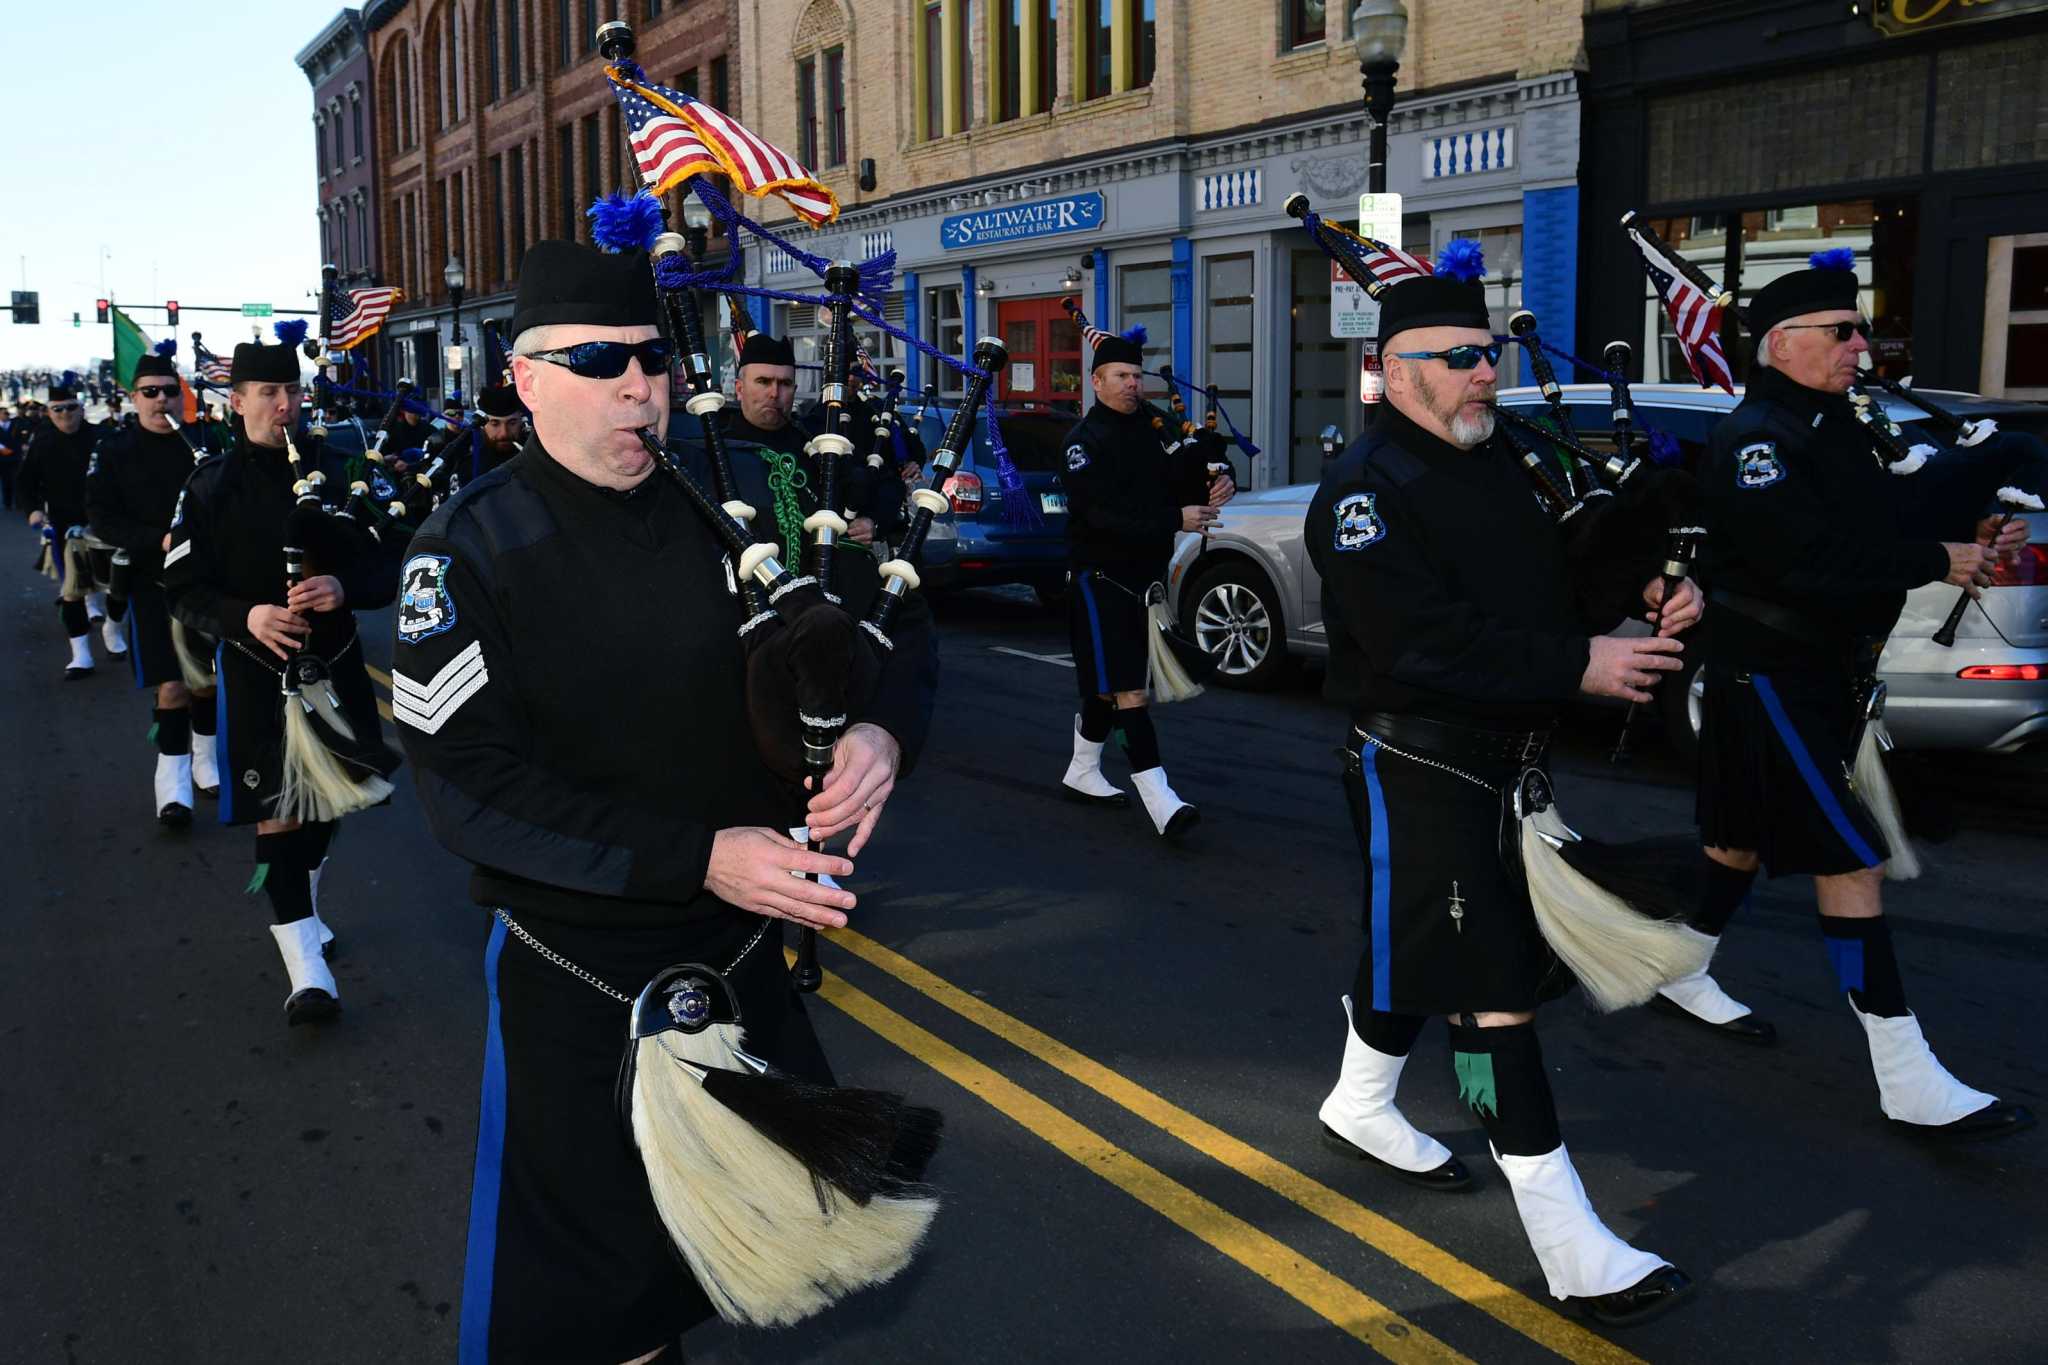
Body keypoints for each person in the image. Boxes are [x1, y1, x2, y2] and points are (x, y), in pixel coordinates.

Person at [394, 239, 935, 1364]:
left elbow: (888, 624)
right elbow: (470, 796)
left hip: (737, 960)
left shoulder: (735, 502)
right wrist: (694, 855)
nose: (639, 386)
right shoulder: (467, 550)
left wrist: (884, 729)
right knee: (603, 1296)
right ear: (524, 376)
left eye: (649, 358)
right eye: (598, 361)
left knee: (705, 1255)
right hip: (581, 970)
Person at [1303, 246, 1700, 1325]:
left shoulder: (1498, 459)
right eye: (1465, 357)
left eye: (1487, 353)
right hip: (1418, 762)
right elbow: (1417, 641)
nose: (1488, 372)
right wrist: (1575, 664)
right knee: (1492, 992)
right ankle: (1564, 1239)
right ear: (1397, 368)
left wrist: (1644, 586)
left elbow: (1550, 578)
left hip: (1506, 762)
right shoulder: (1360, 494)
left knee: (1412, 942)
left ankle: (1358, 1101)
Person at [1675, 248, 2033, 1140]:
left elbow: (1884, 522)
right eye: (1840, 331)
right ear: (1780, 344)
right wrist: (1933, 559)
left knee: (1737, 843)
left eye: (1859, 329)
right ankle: (1904, 1071)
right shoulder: (1758, 439)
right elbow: (1804, 562)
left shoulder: (1838, 425)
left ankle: (1678, 964)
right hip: (1771, 676)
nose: (1858, 346)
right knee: (1851, 857)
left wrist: (1969, 527)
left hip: (1826, 677)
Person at [162, 331, 400, 1026]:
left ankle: (303, 907)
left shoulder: (340, 467)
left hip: (337, 666)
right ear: (236, 402)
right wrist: (248, 615)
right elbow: (180, 585)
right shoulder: (209, 485)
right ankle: (307, 969)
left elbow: (399, 559)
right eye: (268, 393)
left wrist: (342, 585)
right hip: (257, 673)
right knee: (282, 809)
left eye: (292, 391)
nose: (284, 405)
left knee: (330, 808)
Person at [1057, 326, 1233, 838]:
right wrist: (1174, 519)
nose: (1133, 383)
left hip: (1145, 577)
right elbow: (1101, 515)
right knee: (1129, 687)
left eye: (1137, 375)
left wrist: (1216, 482)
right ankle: (1161, 801)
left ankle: (1082, 770)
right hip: (1099, 576)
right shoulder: (1082, 444)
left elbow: (1179, 477)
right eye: (1121, 375)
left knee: (1103, 684)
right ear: (1096, 381)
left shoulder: (1156, 430)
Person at [88, 352, 221, 825]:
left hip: (208, 585)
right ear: (133, 398)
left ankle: (207, 762)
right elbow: (101, 517)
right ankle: (173, 784)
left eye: (170, 390)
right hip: (153, 583)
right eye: (151, 391)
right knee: (173, 688)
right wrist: (159, 540)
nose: (162, 399)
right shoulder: (116, 451)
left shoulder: (204, 444)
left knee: (205, 685)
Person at [19, 382, 121, 675]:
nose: (65, 414)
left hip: (106, 521)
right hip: (65, 525)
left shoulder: (103, 438)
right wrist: (33, 510)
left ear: (82, 407)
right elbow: (25, 482)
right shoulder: (43, 442)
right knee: (72, 590)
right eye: (58, 409)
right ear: (49, 412)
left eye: (71, 408)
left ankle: (113, 630)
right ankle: (81, 654)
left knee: (119, 585)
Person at [470, 384, 525, 477]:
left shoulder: (537, 461)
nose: (504, 433)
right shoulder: (469, 465)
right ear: (483, 425)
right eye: (495, 424)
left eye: (512, 423)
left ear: (521, 421)